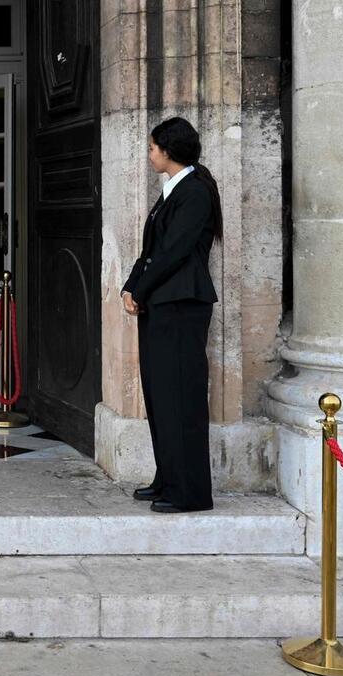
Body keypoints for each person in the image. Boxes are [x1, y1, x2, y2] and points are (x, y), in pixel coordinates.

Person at [120, 116, 222, 514]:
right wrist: (133, 284)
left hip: (181, 305)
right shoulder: (173, 189)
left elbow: (175, 251)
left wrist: (141, 289)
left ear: (168, 150)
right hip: (163, 303)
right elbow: (152, 250)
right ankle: (168, 478)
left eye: (151, 147)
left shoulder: (195, 190)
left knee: (181, 398)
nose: (149, 154)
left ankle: (189, 493)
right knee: (161, 396)